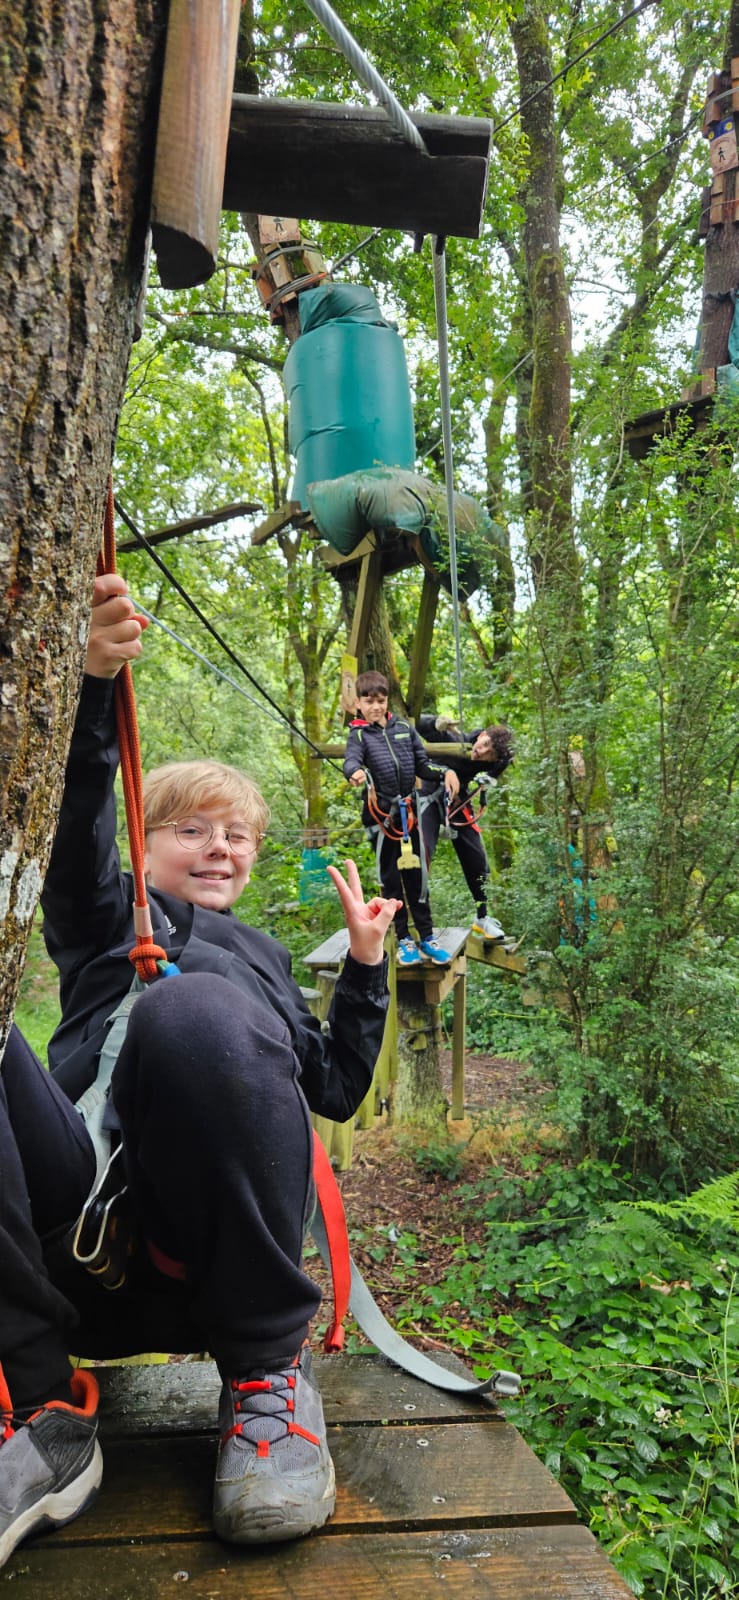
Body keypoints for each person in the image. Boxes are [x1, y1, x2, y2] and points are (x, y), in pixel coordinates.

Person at [0, 574, 400, 1570]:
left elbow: (336, 1088)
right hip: (68, 1230)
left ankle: (266, 1378)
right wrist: (97, 686)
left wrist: (362, 969)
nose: (221, 844)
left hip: (198, 1259)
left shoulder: (260, 963)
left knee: (197, 1012)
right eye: (191, 828)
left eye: (239, 834)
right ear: (143, 844)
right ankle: (37, 1406)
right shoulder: (106, 922)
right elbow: (79, 828)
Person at [343, 670, 459, 967]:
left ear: (386, 701)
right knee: (391, 881)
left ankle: (427, 936)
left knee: (417, 877)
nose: (375, 707)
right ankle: (403, 938)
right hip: (381, 819)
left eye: (380, 701)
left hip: (410, 816)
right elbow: (352, 759)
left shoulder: (404, 729)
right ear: (358, 703)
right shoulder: (358, 734)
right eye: (369, 702)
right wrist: (354, 772)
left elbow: (422, 765)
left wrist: (445, 772)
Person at [416, 713, 514, 941]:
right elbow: (413, 722)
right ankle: (417, 925)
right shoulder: (454, 739)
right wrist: (435, 721)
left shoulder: (497, 758)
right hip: (430, 793)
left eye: (490, 754)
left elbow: (503, 761)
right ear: (481, 735)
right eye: (485, 744)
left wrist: (489, 778)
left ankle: (482, 917)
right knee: (421, 853)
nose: (483, 752)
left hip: (456, 800)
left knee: (477, 859)